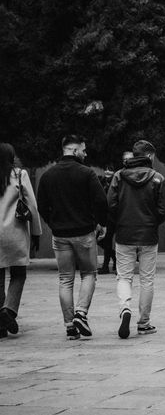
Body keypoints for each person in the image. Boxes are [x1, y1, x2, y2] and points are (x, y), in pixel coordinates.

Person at [37, 135, 108, 339]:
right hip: (84, 232)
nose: (85, 154)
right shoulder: (86, 174)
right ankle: (81, 313)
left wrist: (54, 223)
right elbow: (101, 201)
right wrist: (101, 223)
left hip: (60, 235)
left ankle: (69, 325)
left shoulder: (48, 175)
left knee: (65, 279)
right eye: (83, 150)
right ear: (75, 150)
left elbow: (42, 206)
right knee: (89, 273)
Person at [107, 140, 165, 339]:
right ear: (150, 156)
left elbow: (110, 204)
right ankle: (144, 323)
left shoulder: (119, 176)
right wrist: (152, 222)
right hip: (148, 235)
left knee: (124, 276)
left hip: (124, 234)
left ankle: (125, 307)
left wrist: (120, 221)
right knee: (147, 279)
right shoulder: (158, 178)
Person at [0, 143, 42, 338]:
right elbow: (31, 206)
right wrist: (36, 232)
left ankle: (0, 326)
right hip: (14, 233)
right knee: (18, 274)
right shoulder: (19, 174)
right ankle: (8, 311)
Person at [98, 167, 116, 274]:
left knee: (111, 241)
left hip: (115, 216)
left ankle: (106, 265)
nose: (108, 171)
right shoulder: (102, 182)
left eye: (110, 170)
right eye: (106, 169)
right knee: (102, 240)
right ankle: (113, 259)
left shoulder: (117, 180)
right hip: (105, 216)